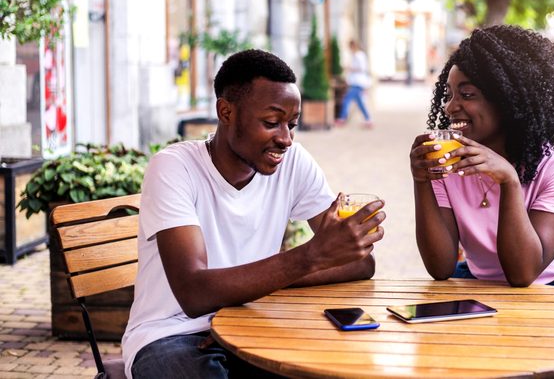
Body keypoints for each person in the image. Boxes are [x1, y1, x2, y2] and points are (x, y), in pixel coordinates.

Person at [122, 49, 385, 378]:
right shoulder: (174, 167)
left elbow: (358, 262)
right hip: (171, 334)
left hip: (249, 322)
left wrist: (316, 258)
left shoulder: (293, 162)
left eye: (292, 125)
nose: (286, 139)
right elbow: (193, 293)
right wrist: (311, 257)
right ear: (226, 112)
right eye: (272, 123)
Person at [409, 25, 554, 289]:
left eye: (466, 95)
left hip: (547, 293)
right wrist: (421, 181)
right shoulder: (448, 161)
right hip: (478, 286)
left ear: (507, 100)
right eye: (448, 95)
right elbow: (440, 268)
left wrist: (509, 181)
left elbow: (524, 274)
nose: (450, 107)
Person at [336, 40, 373, 128]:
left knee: (346, 99)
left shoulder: (359, 55)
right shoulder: (355, 55)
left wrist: (349, 68)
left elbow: (362, 68)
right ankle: (368, 119)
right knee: (360, 103)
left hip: (358, 82)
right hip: (355, 82)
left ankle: (342, 118)